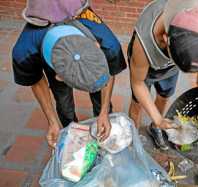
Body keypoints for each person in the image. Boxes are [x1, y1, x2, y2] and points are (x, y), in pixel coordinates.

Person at [12, 0, 126, 148]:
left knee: (99, 93)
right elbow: (37, 83)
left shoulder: (109, 45)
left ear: (96, 46)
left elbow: (108, 73)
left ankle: (101, 116)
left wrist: (104, 112)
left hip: (75, 10)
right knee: (63, 100)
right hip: (41, 22)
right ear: (59, 76)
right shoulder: (24, 53)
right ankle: (72, 130)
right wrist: (53, 122)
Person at [128, 0, 198, 150]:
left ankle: (155, 128)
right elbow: (137, 84)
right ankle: (133, 139)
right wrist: (158, 118)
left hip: (175, 63)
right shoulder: (143, 45)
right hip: (150, 65)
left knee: (164, 96)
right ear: (166, 39)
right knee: (137, 105)